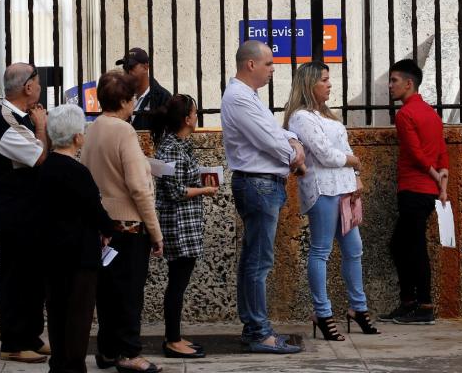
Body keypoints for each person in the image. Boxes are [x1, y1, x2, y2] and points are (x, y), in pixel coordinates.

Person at [283, 61, 380, 341]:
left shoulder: (329, 115)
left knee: (354, 248)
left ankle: (358, 308)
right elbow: (326, 155)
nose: (329, 84)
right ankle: (322, 312)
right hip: (322, 188)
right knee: (321, 250)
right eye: (324, 80)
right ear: (309, 84)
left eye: (329, 79)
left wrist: (356, 173)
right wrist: (352, 160)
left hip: (345, 187)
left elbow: (344, 148)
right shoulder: (301, 117)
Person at [221, 40, 307, 354]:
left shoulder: (248, 96)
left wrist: (294, 140)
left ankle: (253, 327)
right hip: (258, 185)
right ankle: (259, 332)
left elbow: (277, 132)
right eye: (269, 63)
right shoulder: (239, 98)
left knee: (253, 261)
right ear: (251, 65)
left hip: (262, 184)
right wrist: (294, 154)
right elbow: (269, 139)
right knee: (258, 262)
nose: (273, 69)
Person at [81, 70, 164, 373]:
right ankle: (129, 352)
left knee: (107, 294)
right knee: (129, 294)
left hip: (101, 225)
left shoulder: (93, 129)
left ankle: (107, 351)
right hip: (128, 226)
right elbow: (139, 188)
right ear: (126, 101)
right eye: (132, 100)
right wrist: (155, 232)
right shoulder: (124, 131)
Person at [38, 104, 116, 373]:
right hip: (79, 257)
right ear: (76, 137)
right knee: (78, 318)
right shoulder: (78, 172)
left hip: (51, 254)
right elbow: (94, 210)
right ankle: (72, 367)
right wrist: (109, 229)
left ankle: (59, 364)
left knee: (57, 314)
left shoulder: (46, 168)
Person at [0, 63, 49, 363]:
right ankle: (12, 342)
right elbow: (39, 158)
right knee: (14, 279)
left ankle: (31, 336)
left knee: (32, 277)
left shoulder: (16, 117)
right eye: (37, 79)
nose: (40, 85)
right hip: (14, 215)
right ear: (28, 87)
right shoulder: (6, 122)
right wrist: (42, 128)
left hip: (28, 213)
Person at [380, 59, 450, 325]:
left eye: (394, 81)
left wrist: (433, 174)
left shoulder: (406, 114)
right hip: (428, 192)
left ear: (409, 84)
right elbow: (442, 151)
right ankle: (410, 302)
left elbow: (415, 152)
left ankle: (424, 305)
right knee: (403, 246)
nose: (390, 86)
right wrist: (441, 185)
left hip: (413, 188)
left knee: (413, 247)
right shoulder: (431, 113)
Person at [152, 94, 217, 360]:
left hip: (185, 222)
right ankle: (172, 340)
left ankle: (174, 336)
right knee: (177, 284)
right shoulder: (171, 148)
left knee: (179, 282)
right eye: (194, 111)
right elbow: (176, 191)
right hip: (178, 225)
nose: (197, 115)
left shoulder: (179, 145)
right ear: (186, 118)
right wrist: (204, 189)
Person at [116, 47, 172, 130]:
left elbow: (168, 133)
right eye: (125, 68)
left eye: (131, 67)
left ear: (146, 67)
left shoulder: (163, 97)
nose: (127, 72)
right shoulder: (121, 95)